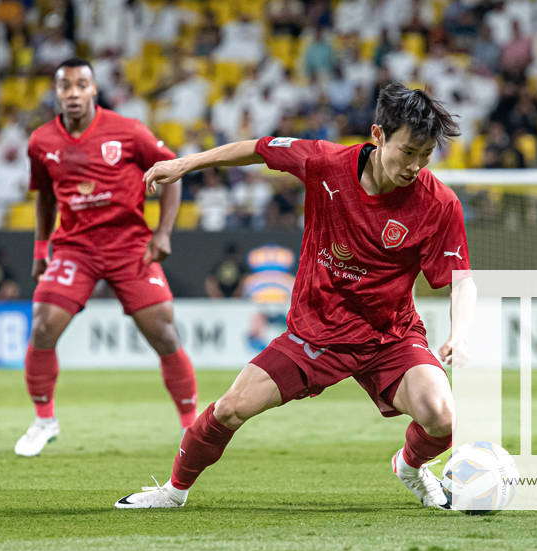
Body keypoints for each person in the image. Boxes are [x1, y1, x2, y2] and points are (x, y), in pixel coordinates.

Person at [115, 82, 476, 510]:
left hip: (389, 336)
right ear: (378, 136)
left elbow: (462, 280)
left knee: (444, 417)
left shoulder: (439, 204)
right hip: (316, 332)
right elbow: (258, 148)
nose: (415, 166)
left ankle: (411, 467)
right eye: (407, 152)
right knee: (231, 409)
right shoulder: (325, 162)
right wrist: (185, 164)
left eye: (425, 155)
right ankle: (172, 492)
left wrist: (462, 333)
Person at [15, 58, 198, 457]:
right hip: (74, 248)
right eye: (66, 86)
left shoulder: (129, 132)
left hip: (129, 246)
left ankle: (191, 426)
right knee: (43, 325)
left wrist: (163, 232)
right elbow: (45, 197)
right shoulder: (41, 142)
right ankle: (44, 420)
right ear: (57, 92)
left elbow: (172, 172)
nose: (74, 93)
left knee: (164, 334)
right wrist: (39, 248)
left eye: (82, 85)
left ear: (94, 89)